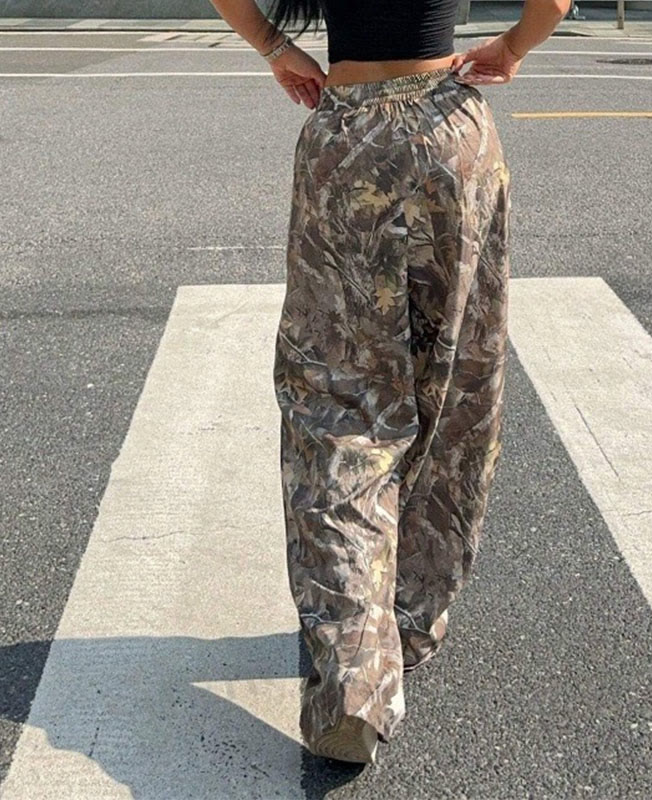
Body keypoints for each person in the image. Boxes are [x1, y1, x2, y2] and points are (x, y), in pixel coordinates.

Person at [210, 0, 570, 766]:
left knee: (337, 409)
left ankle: (353, 668)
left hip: (345, 142)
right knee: (455, 388)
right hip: (452, 136)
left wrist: (274, 45)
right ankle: (408, 616)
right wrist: (513, 46)